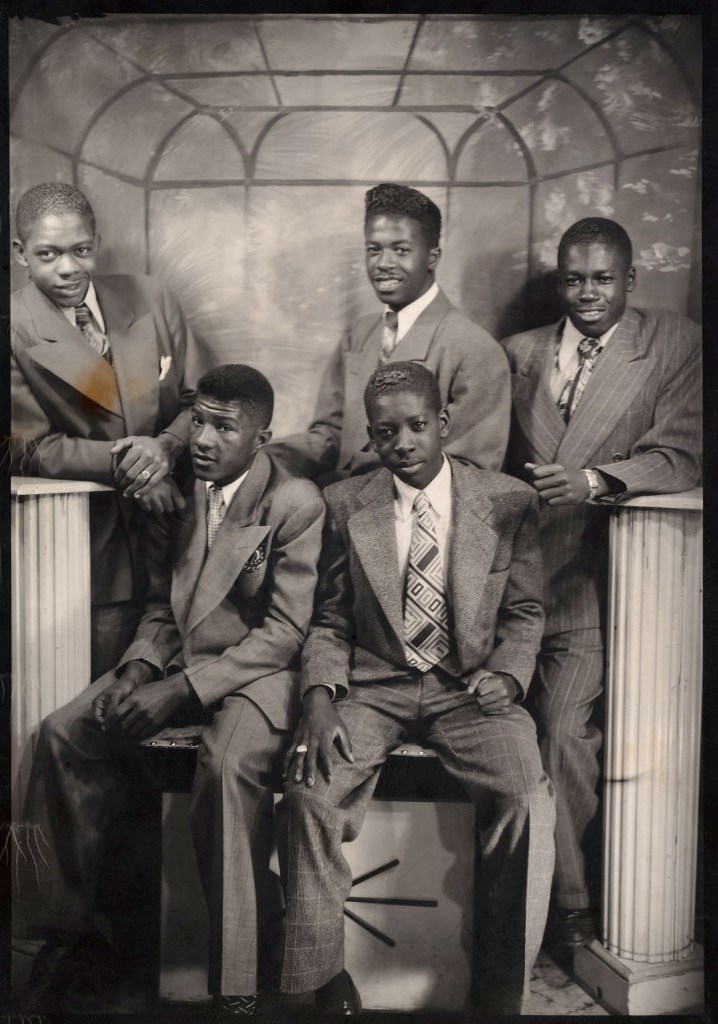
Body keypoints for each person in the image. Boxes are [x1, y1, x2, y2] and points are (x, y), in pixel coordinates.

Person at [17, 365, 326, 1017]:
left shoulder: (294, 502)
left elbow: (283, 634)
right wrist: (138, 669)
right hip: (178, 664)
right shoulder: (180, 489)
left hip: (256, 677)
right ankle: (70, 934)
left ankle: (236, 983)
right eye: (199, 422)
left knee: (223, 766)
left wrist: (182, 691)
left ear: (262, 436)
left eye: (224, 427)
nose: (204, 439)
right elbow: (162, 605)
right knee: (62, 732)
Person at [278, 361, 555, 1016]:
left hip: (470, 690)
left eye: (416, 426)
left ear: (445, 424)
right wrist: (319, 696)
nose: (402, 443)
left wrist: (510, 678)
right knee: (308, 791)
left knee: (526, 796)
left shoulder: (509, 501)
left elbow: (525, 613)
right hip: (374, 685)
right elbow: (329, 618)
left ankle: (499, 984)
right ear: (371, 439)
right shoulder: (347, 504)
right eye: (384, 433)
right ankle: (321, 977)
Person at [501, 217, 702, 946]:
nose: (588, 293)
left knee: (562, 732)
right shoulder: (516, 355)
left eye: (604, 279)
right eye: (575, 279)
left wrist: (591, 479)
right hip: (510, 586)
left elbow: (681, 458)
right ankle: (506, 911)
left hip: (593, 583)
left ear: (630, 281)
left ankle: (571, 904)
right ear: (561, 281)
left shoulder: (673, 342)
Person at [10, 182, 199, 675]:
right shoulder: (13, 327)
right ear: (20, 253)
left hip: (182, 532)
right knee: (99, 701)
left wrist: (166, 446)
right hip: (92, 550)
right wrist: (134, 464)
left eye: (81, 250)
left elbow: (199, 401)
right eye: (47, 255)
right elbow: (27, 449)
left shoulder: (152, 297)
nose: (68, 268)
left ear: (97, 241)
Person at [271, 181, 510, 479]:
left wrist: (347, 483)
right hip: (341, 509)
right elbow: (331, 436)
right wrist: (264, 455)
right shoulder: (358, 334)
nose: (383, 263)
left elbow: (470, 471)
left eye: (401, 250)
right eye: (374, 249)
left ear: (432, 258)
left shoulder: (475, 349)